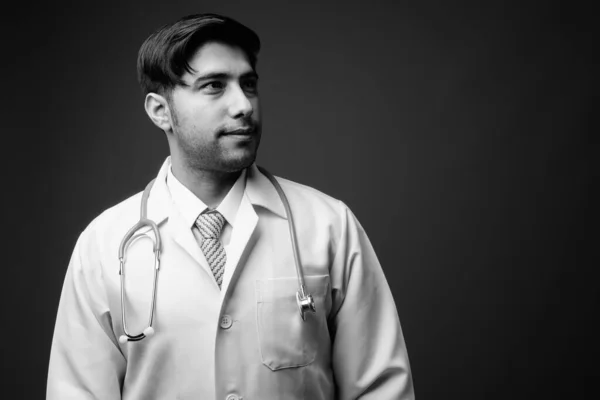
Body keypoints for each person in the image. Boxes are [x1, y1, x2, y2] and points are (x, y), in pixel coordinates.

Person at [47, 13, 415, 400]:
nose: (244, 105)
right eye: (214, 86)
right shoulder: (103, 246)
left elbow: (380, 389)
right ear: (160, 111)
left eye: (249, 84)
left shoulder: (328, 226)